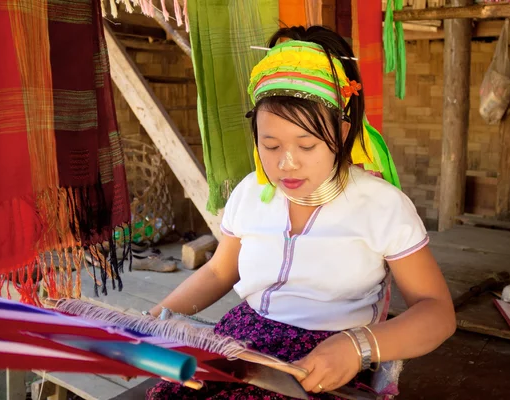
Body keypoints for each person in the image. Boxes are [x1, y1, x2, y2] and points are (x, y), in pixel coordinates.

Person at [145, 25, 456, 400]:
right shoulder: (250, 192)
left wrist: (358, 346)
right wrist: (156, 320)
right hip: (243, 339)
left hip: (327, 356)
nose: (287, 163)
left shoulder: (381, 206)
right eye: (270, 145)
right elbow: (218, 270)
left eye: (306, 145)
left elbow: (437, 311)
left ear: (342, 134)